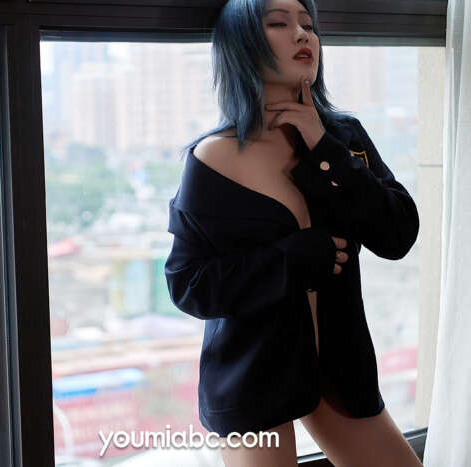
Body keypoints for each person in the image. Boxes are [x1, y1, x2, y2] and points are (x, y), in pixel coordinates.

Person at [164, 0, 424, 465]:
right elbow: (188, 284)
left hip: (342, 372)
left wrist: (323, 147)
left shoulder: (344, 137)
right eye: (279, 23)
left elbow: (398, 234)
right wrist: (290, 260)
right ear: (243, 43)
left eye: (308, 24)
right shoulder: (214, 157)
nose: (303, 34)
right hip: (253, 378)